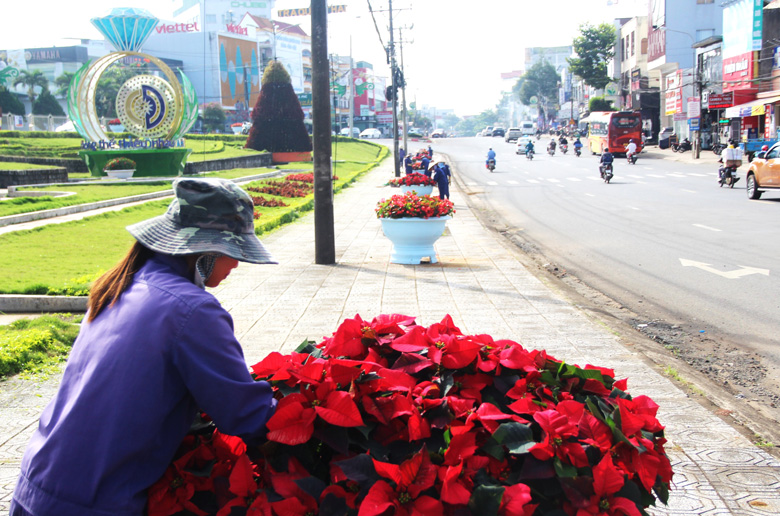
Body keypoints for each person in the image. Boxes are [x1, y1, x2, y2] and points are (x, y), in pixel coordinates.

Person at [10, 178, 278, 516]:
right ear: (206, 251)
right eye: (233, 252)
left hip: (37, 485)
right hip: (92, 503)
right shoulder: (192, 310)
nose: (237, 264)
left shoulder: (121, 285)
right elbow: (246, 416)